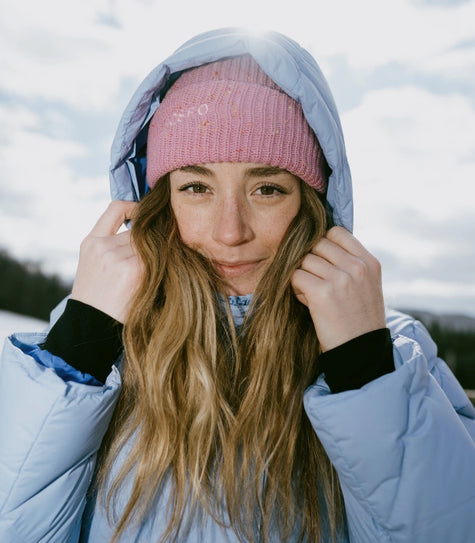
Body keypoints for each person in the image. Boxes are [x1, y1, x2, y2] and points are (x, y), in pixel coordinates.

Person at [0, 27, 474, 543]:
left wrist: (364, 369)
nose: (231, 232)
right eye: (196, 187)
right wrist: (80, 342)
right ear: (158, 204)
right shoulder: (86, 346)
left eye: (267, 189)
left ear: (312, 204)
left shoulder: (398, 357)